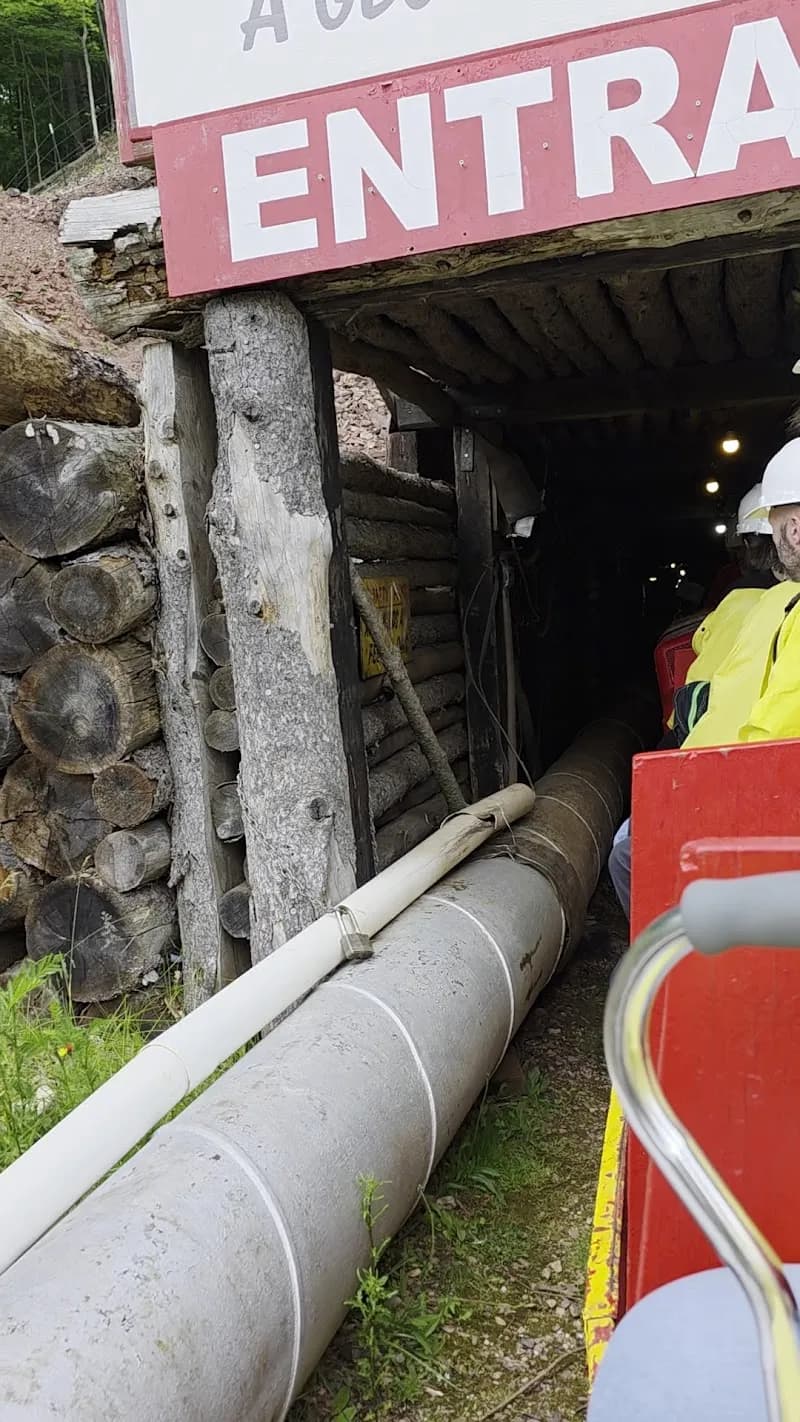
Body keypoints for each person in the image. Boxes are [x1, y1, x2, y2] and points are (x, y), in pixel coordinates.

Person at [608, 483, 779, 919]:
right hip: (750, 780)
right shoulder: (770, 604)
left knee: (626, 852)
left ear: (744, 546)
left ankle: (665, 966)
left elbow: (694, 700)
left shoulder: (737, 608)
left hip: (730, 780)